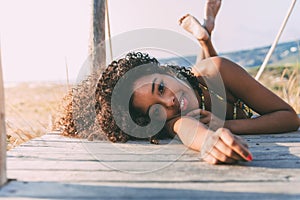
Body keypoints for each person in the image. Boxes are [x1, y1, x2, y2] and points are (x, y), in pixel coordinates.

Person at [57, 0, 299, 165]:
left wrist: (225, 125)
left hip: (209, 77)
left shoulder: (218, 70)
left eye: (160, 88)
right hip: (197, 83)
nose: (169, 101)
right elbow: (187, 129)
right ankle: (205, 36)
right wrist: (208, 140)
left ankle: (205, 39)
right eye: (156, 109)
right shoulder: (172, 118)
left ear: (164, 69)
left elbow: (289, 116)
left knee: (208, 70)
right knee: (196, 82)